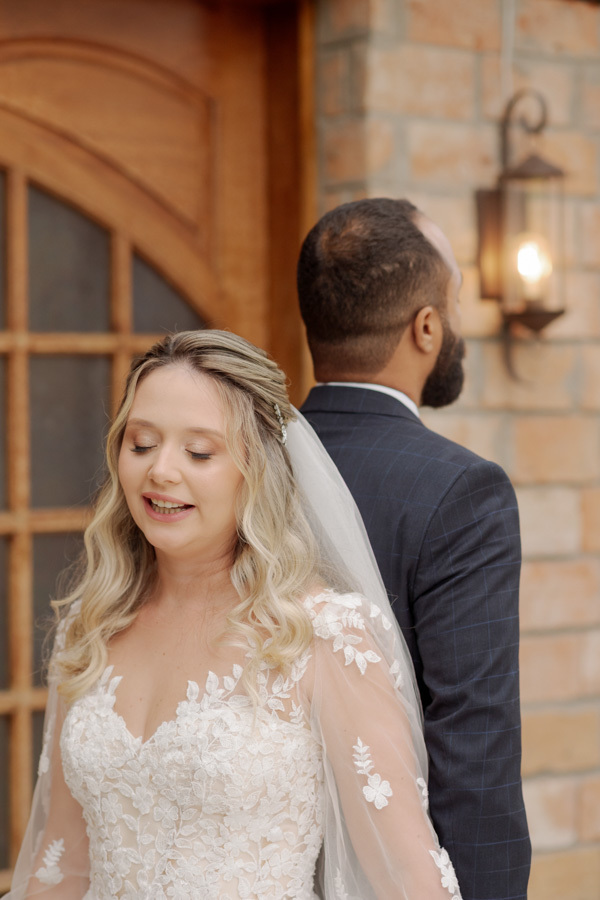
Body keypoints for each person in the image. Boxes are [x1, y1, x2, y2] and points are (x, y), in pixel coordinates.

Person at [9, 329, 462, 900]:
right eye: (141, 442)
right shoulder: (90, 623)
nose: (161, 472)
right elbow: (61, 865)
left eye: (199, 452)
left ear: (257, 469)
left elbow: (405, 877)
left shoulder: (320, 634)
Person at [298, 199, 531, 900]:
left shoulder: (234, 468)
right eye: (453, 303)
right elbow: (474, 747)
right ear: (426, 327)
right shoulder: (463, 492)